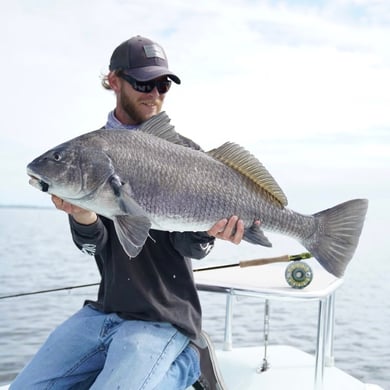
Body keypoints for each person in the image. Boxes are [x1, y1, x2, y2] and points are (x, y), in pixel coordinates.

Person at [11, 36, 245, 390]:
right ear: (114, 81)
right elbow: (95, 246)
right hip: (105, 311)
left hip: (165, 319)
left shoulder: (187, 154)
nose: (154, 93)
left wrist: (210, 234)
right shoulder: (91, 151)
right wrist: (83, 215)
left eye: (162, 84)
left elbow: (191, 247)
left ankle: (187, 366)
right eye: (142, 83)